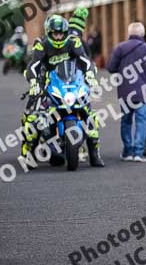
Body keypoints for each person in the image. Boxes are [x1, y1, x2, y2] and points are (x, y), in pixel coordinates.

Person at [23, 14, 104, 167]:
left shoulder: (73, 41)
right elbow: (33, 65)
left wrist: (91, 76)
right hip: (47, 84)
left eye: (61, 33)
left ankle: (95, 154)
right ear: (49, 32)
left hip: (71, 82)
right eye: (55, 33)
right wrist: (34, 82)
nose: (59, 37)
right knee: (35, 117)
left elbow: (85, 61)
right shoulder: (42, 44)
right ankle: (29, 154)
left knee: (91, 114)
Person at [107, 22, 146, 162]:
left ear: (129, 33)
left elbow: (111, 67)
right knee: (141, 121)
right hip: (143, 93)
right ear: (142, 34)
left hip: (125, 93)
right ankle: (138, 153)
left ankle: (127, 152)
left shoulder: (120, 48)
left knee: (126, 121)